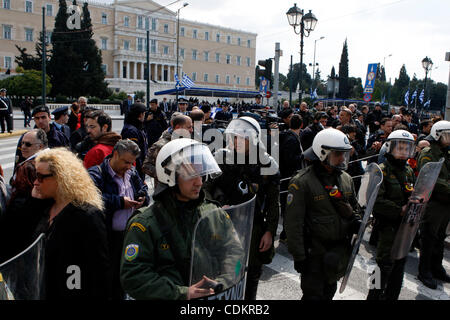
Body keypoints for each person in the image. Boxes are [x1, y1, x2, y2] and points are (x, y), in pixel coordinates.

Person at [120, 138, 242, 300]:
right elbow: (133, 276)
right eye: (191, 174)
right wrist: (181, 293)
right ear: (170, 175)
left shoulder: (215, 214)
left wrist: (222, 282)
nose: (199, 182)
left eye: (201, 173)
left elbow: (235, 253)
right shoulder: (145, 224)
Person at [203, 116, 280, 300]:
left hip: (253, 227)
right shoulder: (221, 157)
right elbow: (204, 190)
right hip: (223, 226)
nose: (235, 142)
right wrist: (218, 207)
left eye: (240, 137)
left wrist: (269, 231)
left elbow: (273, 202)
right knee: (223, 276)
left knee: (252, 276)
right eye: (233, 137)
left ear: (253, 139)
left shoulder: (266, 164)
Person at [285, 128, 361, 300]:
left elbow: (355, 208)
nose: (342, 159)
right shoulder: (302, 182)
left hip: (336, 254)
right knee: (313, 296)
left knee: (329, 292)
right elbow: (293, 224)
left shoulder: (346, 179)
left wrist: (355, 220)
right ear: (323, 153)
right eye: (337, 154)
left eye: (344, 154)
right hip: (314, 256)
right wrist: (299, 256)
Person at [31, 148, 111, 299]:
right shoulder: (44, 207)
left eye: (41, 177)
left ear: (61, 178)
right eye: (35, 175)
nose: (36, 182)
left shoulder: (87, 215)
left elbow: (99, 270)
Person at [88, 139, 149, 300]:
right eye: (126, 162)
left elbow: (143, 188)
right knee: (109, 279)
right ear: (115, 154)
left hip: (130, 236)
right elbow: (92, 197)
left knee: (127, 277)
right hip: (108, 238)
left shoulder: (132, 172)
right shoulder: (97, 173)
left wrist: (142, 197)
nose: (128, 166)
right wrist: (120, 202)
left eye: (132, 163)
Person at [366, 130, 416, 300]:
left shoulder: (409, 170)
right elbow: (375, 201)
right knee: (382, 267)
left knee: (399, 265)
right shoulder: (381, 171)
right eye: (400, 148)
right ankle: (372, 297)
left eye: (407, 148)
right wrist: (398, 210)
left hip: (405, 226)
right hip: (387, 227)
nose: (403, 152)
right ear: (389, 148)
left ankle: (392, 297)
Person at [0, 129, 50, 263]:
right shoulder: (47, 161)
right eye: (21, 144)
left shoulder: (30, 167)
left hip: (25, 230)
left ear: (40, 146)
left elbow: (24, 202)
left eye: (27, 144)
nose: (23, 147)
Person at [416, 120, 450, 289]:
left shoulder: (446, 152)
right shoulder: (428, 153)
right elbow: (430, 178)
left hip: (446, 203)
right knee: (429, 237)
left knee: (440, 237)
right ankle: (424, 271)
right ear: (439, 134)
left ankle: (437, 267)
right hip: (434, 202)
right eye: (448, 135)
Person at [142, 114, 193, 180]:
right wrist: (166, 176)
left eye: (192, 127)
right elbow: (146, 166)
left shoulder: (186, 142)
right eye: (189, 127)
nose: (192, 130)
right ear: (178, 128)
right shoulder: (161, 145)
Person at [279, 114, 304, 242]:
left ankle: (286, 232)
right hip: (289, 177)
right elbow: (288, 159)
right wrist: (303, 156)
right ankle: (285, 233)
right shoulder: (292, 139)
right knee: (289, 207)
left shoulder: (288, 136)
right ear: (301, 125)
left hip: (286, 176)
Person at [121, 103, 148, 180]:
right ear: (140, 115)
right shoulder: (131, 131)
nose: (145, 116)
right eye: (144, 114)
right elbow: (134, 154)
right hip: (135, 170)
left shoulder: (137, 127)